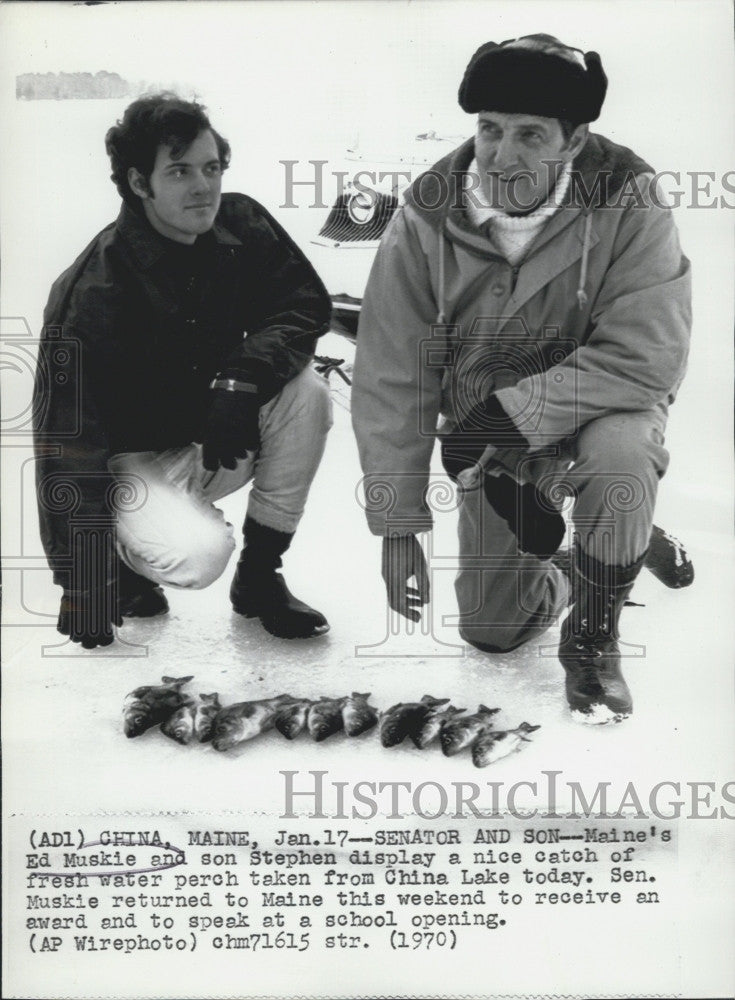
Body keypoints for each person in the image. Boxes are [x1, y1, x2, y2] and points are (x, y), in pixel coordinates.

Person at [352, 34, 693, 724]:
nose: (501, 155)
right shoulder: (426, 216)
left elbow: (646, 355)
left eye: (529, 135)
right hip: (487, 438)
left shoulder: (630, 198)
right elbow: (390, 376)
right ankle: (612, 546)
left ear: (572, 142)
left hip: (604, 408)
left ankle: (593, 641)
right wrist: (396, 529)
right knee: (492, 629)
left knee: (619, 457)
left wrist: (514, 413)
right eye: (489, 130)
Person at [34, 93, 333, 648]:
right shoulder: (94, 291)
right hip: (125, 466)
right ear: (139, 183)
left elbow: (302, 305)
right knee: (197, 557)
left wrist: (242, 381)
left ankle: (260, 579)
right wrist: (85, 582)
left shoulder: (239, 223)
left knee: (307, 393)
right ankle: (125, 565)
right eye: (179, 171)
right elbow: (66, 444)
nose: (204, 186)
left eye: (211, 167)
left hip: (214, 433)